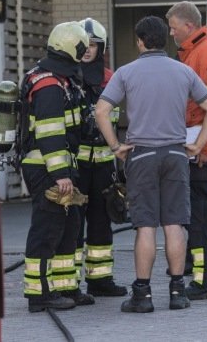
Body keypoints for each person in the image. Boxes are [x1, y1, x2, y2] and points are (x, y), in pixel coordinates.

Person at [94, 16, 207, 313]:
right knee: (175, 224)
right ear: (165, 39)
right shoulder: (183, 71)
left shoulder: (126, 73)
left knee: (146, 227)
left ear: (139, 41)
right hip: (177, 154)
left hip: (142, 155)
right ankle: (178, 292)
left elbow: (102, 110)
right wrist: (199, 144)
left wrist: (115, 146)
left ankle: (143, 295)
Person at [20, 21, 95, 312]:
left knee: (70, 226)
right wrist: (60, 175)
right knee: (47, 229)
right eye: (82, 47)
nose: (85, 52)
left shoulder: (59, 79)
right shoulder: (49, 85)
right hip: (48, 168)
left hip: (60, 165)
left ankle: (66, 287)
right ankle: (39, 295)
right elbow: (50, 132)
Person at [166, 1, 207, 299]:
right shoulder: (196, 51)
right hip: (200, 143)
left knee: (204, 215)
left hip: (203, 148)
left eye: (173, 27)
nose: (171, 33)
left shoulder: (204, 52)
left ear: (189, 26)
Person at [74, 17, 127, 298]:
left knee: (101, 221)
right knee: (71, 222)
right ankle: (68, 283)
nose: (87, 50)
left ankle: (100, 279)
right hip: (76, 164)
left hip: (104, 164)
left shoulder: (110, 78)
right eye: (83, 44)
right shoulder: (67, 76)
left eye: (93, 45)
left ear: (101, 47)